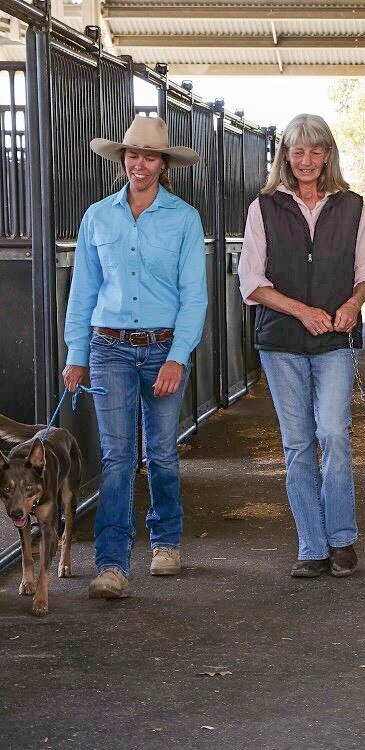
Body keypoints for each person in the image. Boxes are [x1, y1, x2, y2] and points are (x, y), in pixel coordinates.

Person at [63, 115, 207, 599]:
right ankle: (112, 565)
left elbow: (194, 296)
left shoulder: (184, 219)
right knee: (117, 455)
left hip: (164, 346)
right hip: (108, 347)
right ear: (122, 158)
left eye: (149, 156)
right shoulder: (97, 216)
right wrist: (76, 353)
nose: (139, 164)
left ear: (163, 164)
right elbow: (83, 291)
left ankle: (166, 541)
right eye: (132, 155)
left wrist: (178, 356)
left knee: (162, 451)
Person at [238, 113, 365, 579]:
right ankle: (311, 545)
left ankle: (342, 540)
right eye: (297, 151)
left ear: (328, 155)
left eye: (316, 151)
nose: (306, 160)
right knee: (298, 443)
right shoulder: (263, 208)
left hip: (336, 339)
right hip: (281, 342)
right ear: (285, 155)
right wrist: (301, 311)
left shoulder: (352, 206)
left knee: (334, 433)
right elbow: (251, 282)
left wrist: (354, 303)